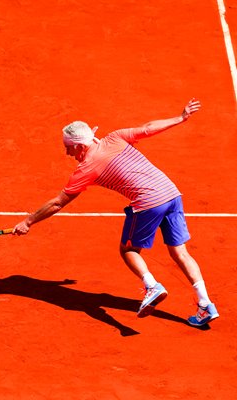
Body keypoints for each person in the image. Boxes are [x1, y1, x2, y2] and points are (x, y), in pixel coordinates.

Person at [12, 98, 219, 327]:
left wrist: (28, 221)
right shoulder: (116, 137)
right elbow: (148, 128)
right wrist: (180, 118)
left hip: (149, 202)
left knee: (129, 249)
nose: (68, 153)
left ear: (80, 146)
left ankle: (151, 286)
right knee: (180, 252)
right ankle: (205, 304)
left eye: (68, 148)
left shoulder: (87, 168)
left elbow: (58, 203)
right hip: (172, 194)